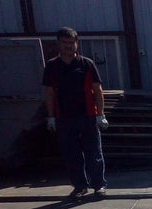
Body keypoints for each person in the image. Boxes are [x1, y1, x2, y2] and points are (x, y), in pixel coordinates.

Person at [42, 27, 109, 199]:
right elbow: (49, 92)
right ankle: (79, 186)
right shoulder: (52, 66)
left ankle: (99, 185)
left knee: (94, 152)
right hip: (64, 118)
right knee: (72, 154)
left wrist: (100, 114)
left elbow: (97, 89)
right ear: (59, 44)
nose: (69, 46)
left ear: (77, 44)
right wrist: (50, 117)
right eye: (65, 43)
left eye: (72, 43)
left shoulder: (87, 64)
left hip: (88, 116)